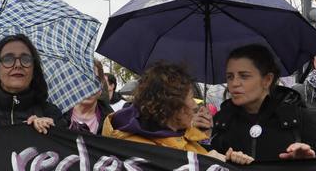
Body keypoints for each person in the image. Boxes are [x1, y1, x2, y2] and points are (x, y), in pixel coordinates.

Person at [103, 62, 245, 161]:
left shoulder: (185, 136)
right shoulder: (134, 148)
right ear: (172, 107)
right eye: (190, 98)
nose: (194, 105)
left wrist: (228, 160)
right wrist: (202, 165)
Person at [209, 44, 316, 161]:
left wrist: (307, 161)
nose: (234, 83)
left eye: (244, 76)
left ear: (267, 80)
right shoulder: (221, 122)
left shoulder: (302, 119)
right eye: (230, 77)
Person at [66, 61, 112, 135]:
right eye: (83, 79)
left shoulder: (111, 122)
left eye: (95, 79)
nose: (88, 86)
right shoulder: (57, 113)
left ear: (102, 84)